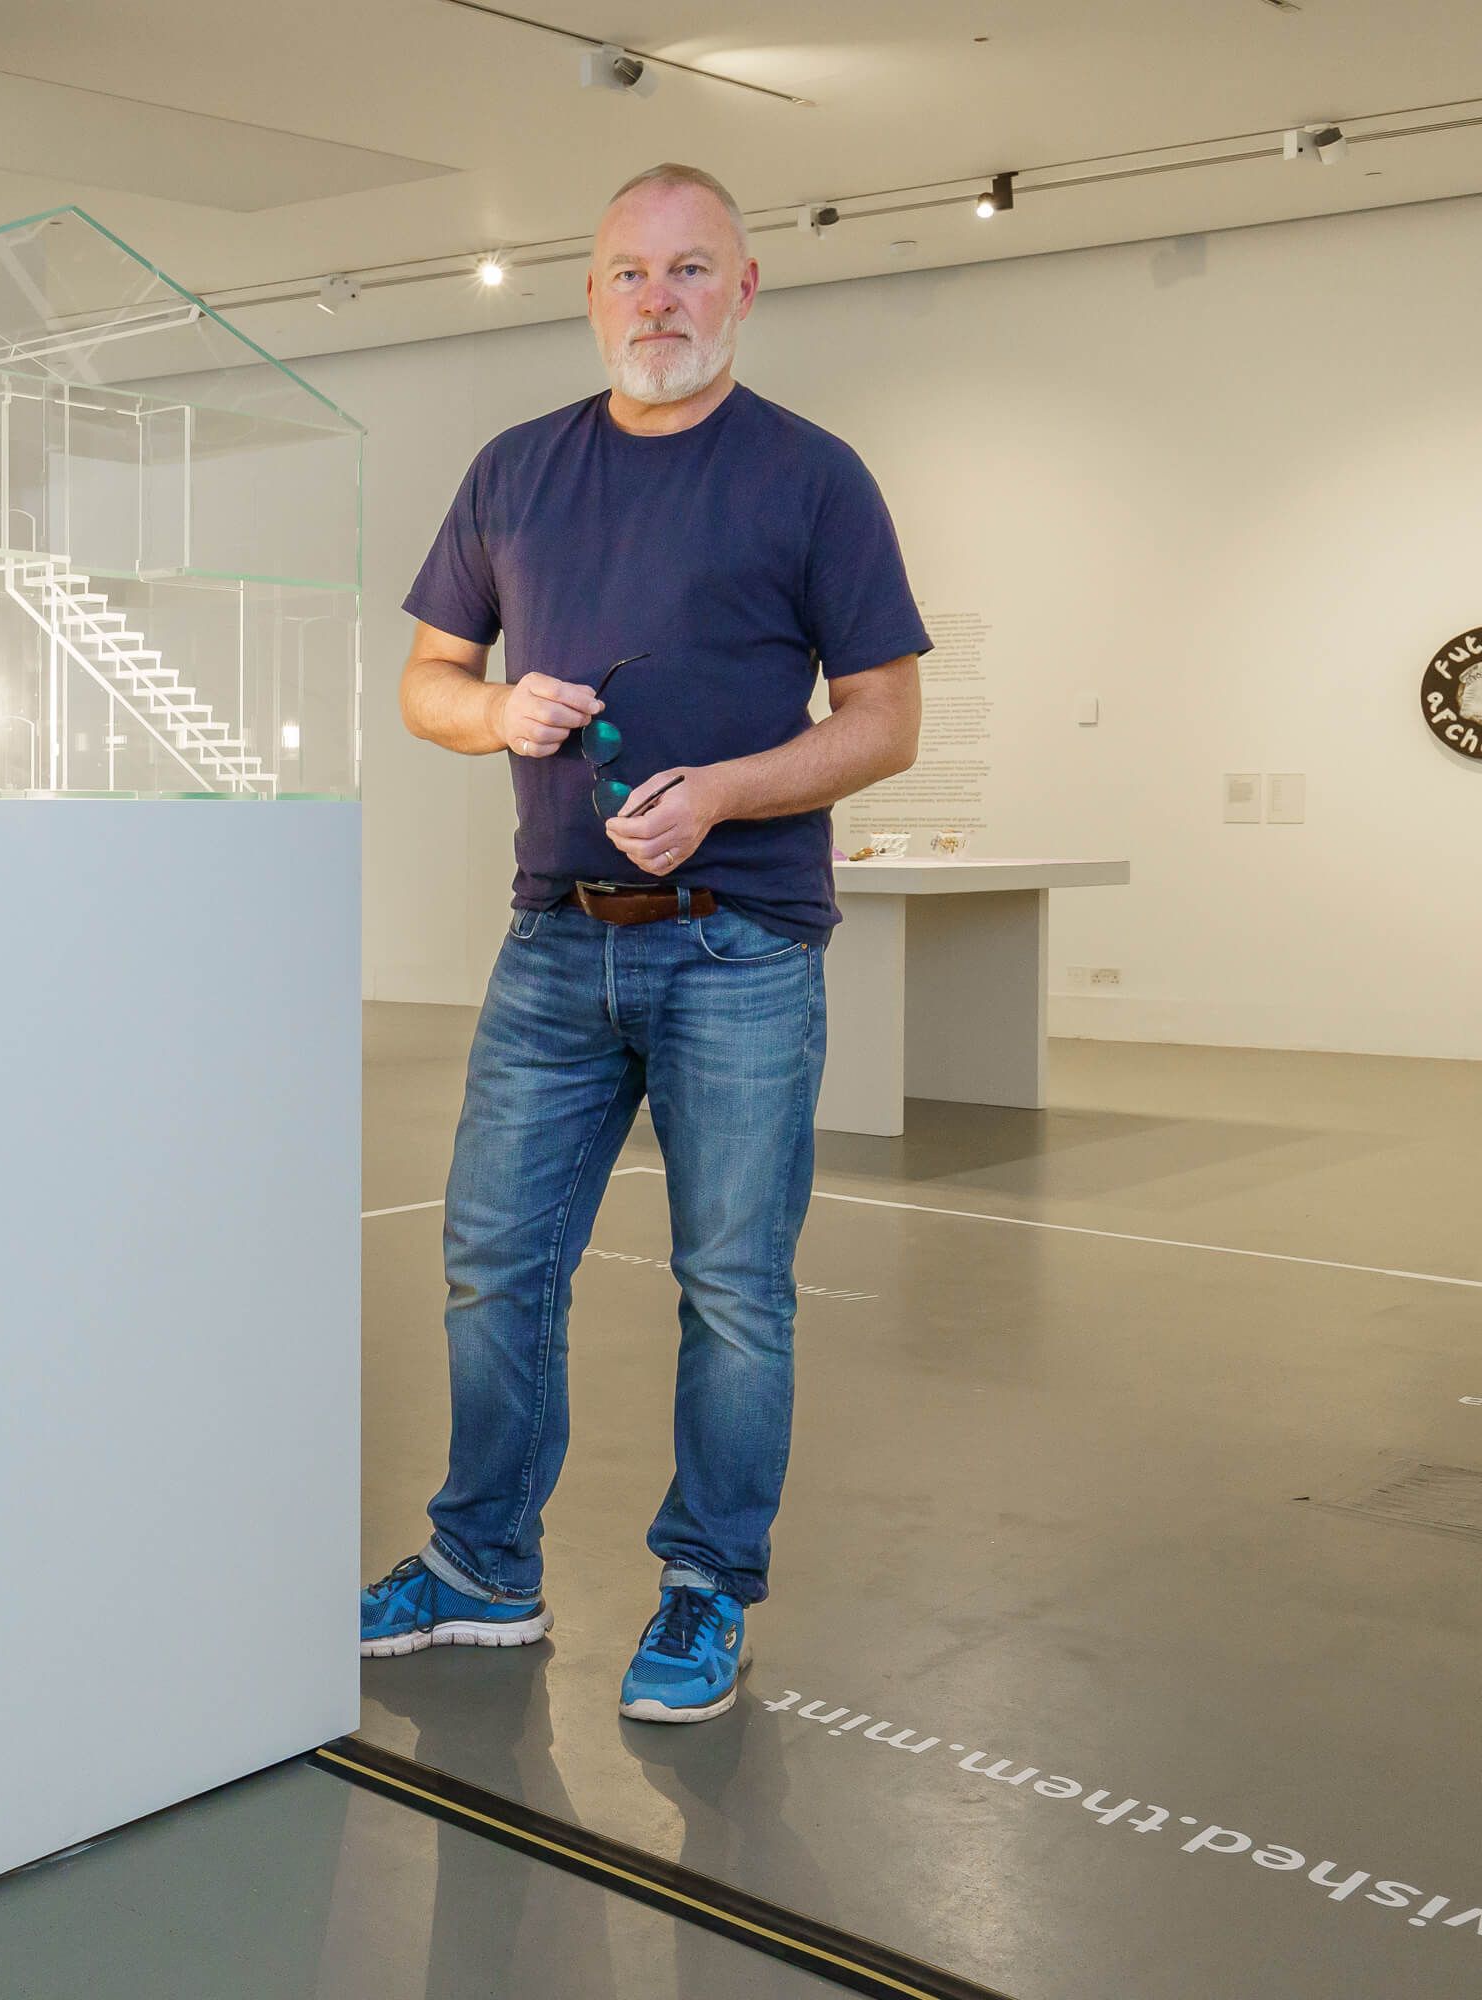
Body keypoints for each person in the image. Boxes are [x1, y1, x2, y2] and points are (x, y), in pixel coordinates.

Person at [359, 163, 928, 1723]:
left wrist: (730, 794)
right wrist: (492, 713)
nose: (655, 302)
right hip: (553, 944)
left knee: (733, 1286)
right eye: (627, 273)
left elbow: (887, 719)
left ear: (743, 289)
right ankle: (482, 1568)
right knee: (492, 1264)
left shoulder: (813, 477)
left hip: (739, 949)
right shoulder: (515, 470)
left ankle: (704, 1588)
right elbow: (428, 676)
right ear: (588, 289)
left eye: (689, 272)